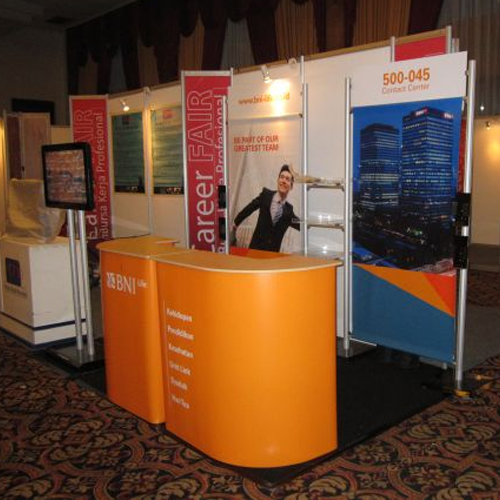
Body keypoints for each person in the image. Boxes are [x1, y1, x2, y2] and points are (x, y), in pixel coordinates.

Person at [232, 164, 300, 252]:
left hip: (272, 255)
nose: (283, 181)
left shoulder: (289, 211)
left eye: (287, 179)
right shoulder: (266, 195)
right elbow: (249, 208)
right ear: (278, 180)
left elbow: (301, 225)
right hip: (255, 251)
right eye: (282, 177)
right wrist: (236, 222)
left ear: (291, 186)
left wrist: (312, 223)